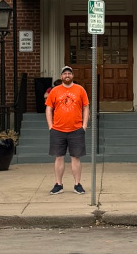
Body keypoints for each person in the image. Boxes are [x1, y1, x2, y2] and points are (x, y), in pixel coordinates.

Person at [45, 65, 89, 195]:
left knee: (76, 158)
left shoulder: (80, 89)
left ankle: (77, 184)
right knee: (59, 157)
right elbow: (49, 108)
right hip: (58, 130)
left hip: (76, 129)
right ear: (61, 76)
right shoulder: (55, 91)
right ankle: (58, 184)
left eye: (69, 73)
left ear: (72, 76)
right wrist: (50, 126)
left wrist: (84, 125)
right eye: (65, 74)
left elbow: (86, 107)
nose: (67, 75)